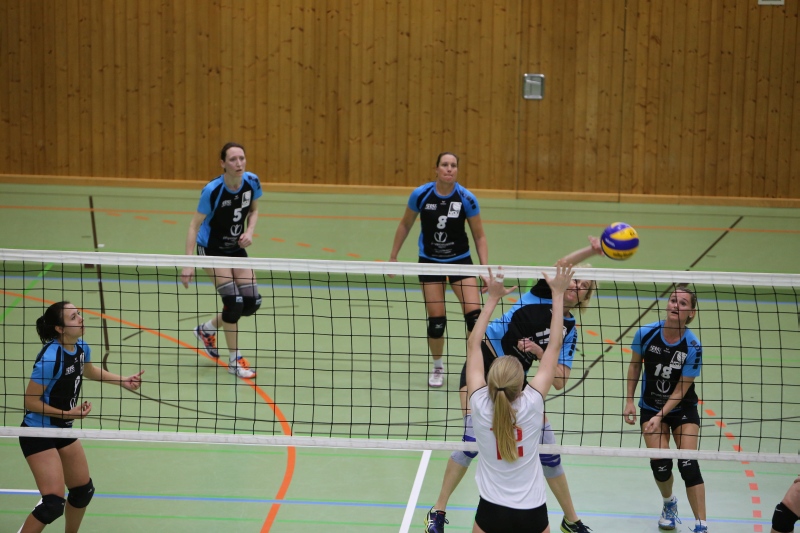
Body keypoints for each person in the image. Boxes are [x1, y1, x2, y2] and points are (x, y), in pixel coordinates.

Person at [425, 238, 602, 533]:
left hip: (514, 383)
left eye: (584, 286)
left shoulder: (569, 330)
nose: (576, 286)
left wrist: (539, 351)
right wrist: (593, 250)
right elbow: (562, 266)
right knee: (470, 441)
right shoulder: (543, 293)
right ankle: (438, 510)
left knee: (549, 452)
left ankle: (572, 520)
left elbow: (559, 380)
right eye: (576, 280)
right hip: (485, 363)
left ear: (586, 297)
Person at [464, 263, 573, 533]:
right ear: (520, 384)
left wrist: (492, 298)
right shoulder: (532, 403)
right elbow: (554, 346)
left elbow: (473, 344)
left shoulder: (478, 403)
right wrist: (558, 294)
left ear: (490, 381)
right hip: (532, 510)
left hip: (490, 509)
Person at [18, 301, 144, 533]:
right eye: (73, 317)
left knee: (82, 491)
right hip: (38, 432)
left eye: (79, 314)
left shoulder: (81, 347)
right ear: (60, 328)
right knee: (52, 504)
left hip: (63, 429)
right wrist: (68, 413)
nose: (81, 319)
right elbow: (30, 401)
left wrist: (123, 381)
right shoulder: (50, 359)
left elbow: (89, 370)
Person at [389, 152, 488, 388]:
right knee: (436, 322)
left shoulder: (466, 198)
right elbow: (405, 224)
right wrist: (393, 256)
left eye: (453, 165)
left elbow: (479, 236)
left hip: (460, 261)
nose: (449, 169)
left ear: (457, 170)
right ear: (436, 169)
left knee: (475, 318)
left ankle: (473, 367)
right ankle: (437, 367)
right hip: (430, 262)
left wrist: (484, 269)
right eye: (445, 165)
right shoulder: (421, 194)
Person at [624, 284, 707, 532]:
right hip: (650, 406)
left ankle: (701, 525)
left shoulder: (693, 346)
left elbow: (681, 390)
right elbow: (635, 366)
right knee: (661, 466)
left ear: (691, 313)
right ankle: (669, 502)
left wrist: (661, 416)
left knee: (688, 464)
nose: (675, 306)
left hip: (683, 409)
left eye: (682, 303)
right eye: (673, 300)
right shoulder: (645, 333)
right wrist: (629, 400)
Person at [181, 142, 263, 379]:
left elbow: (254, 210)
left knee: (251, 302)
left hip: (235, 248)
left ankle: (206, 329)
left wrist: (250, 232)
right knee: (234, 303)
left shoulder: (252, 182)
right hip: (212, 250)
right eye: (233, 159)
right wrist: (188, 262)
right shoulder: (213, 190)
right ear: (223, 164)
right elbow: (194, 225)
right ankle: (235, 360)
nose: (239, 163)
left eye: (242, 158)